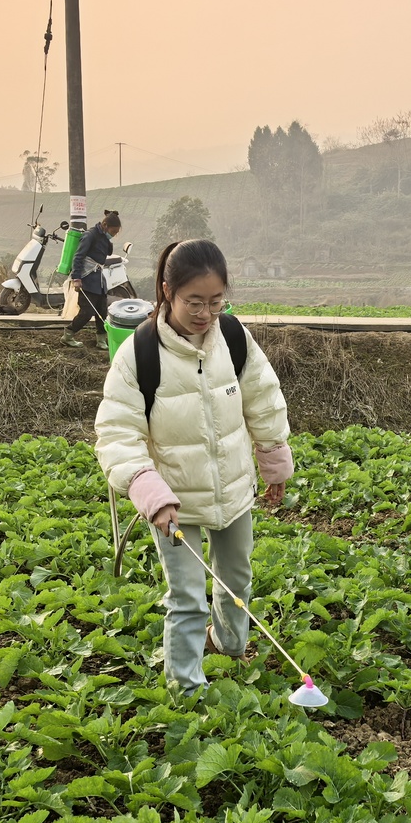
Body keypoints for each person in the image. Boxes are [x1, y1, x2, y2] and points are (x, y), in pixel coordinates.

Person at [94, 239, 294, 693]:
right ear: (167, 292)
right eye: (194, 302)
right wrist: (150, 493)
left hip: (233, 487)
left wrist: (274, 464)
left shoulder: (234, 338)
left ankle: (227, 644)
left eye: (216, 301)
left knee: (236, 579)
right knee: (186, 596)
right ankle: (186, 689)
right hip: (174, 500)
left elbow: (264, 400)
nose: (206, 313)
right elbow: (117, 433)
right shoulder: (140, 354)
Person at [66, 210, 121, 348]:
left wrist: (108, 240)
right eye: (113, 232)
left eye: (116, 233)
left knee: (102, 311)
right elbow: (78, 257)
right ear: (105, 225)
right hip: (87, 279)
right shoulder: (90, 235)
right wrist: (76, 278)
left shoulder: (103, 238)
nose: (114, 235)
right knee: (86, 312)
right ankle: (67, 335)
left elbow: (107, 252)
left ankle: (101, 340)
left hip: (99, 281)